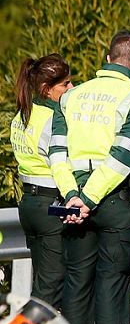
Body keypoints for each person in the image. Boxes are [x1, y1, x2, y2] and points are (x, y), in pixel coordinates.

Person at [58, 31, 130, 324]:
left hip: (72, 198)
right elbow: (123, 158)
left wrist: (73, 195)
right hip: (112, 200)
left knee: (77, 279)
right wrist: (91, 198)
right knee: (112, 279)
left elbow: (57, 153)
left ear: (108, 57)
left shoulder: (72, 96)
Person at [8, 55, 78, 307]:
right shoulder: (52, 120)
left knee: (45, 280)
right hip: (50, 203)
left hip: (30, 203)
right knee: (51, 284)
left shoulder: (22, 116)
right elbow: (61, 162)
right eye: (66, 84)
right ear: (47, 89)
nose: (72, 89)